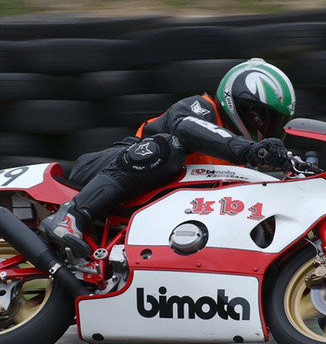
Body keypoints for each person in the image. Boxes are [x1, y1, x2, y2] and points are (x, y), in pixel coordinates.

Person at [38, 57, 296, 258]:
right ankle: (71, 216)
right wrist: (249, 150)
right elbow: (185, 128)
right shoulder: (202, 108)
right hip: (103, 170)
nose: (265, 128)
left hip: (146, 211)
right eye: (261, 117)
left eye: (275, 123)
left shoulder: (236, 160)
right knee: (168, 146)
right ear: (239, 103)